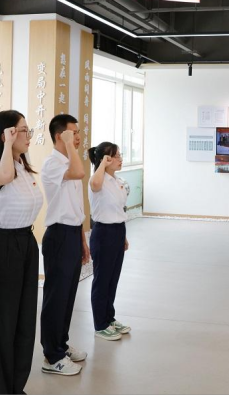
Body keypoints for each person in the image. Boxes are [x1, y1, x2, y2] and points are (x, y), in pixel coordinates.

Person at [0, 110, 43, 395]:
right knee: (1, 322)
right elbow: (3, 176)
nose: (28, 136)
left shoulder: (23, 166)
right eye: (22, 130)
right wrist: (5, 143)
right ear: (7, 134)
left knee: (24, 319)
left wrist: (10, 145)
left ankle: (16, 386)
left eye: (28, 130)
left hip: (26, 243)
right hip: (2, 245)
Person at [39, 114, 91, 376]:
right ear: (60, 135)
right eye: (73, 132)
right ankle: (52, 356)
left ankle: (61, 344)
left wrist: (82, 239)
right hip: (58, 235)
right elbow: (80, 173)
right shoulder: (52, 163)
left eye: (78, 132)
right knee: (56, 297)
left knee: (68, 296)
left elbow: (75, 206)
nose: (78, 137)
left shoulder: (69, 160)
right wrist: (70, 145)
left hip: (71, 233)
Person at [87, 142, 132, 341]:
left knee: (112, 279)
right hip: (103, 232)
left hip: (117, 230)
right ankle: (100, 324)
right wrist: (101, 165)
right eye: (115, 156)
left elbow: (119, 210)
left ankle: (109, 318)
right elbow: (95, 185)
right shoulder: (98, 179)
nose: (120, 159)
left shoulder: (116, 181)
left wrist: (123, 236)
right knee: (102, 280)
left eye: (120, 155)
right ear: (105, 159)